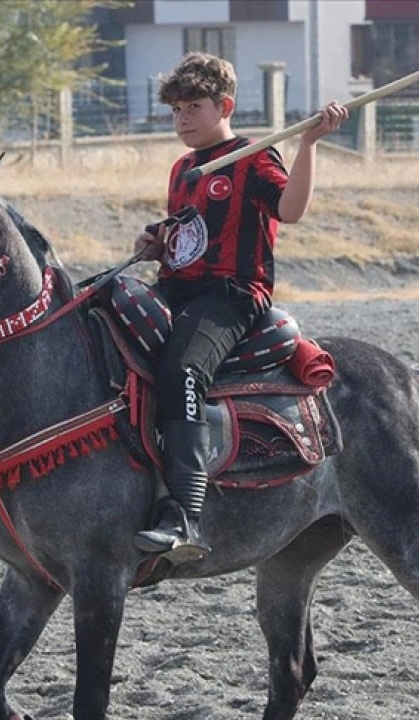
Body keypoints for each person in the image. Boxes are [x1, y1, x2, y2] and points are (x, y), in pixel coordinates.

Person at [133, 52, 348, 564]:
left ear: (224, 105)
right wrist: (158, 244)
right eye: (176, 109)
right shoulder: (183, 168)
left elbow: (290, 210)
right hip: (175, 289)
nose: (182, 118)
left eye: (194, 106)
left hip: (229, 295)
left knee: (184, 372)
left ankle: (184, 515)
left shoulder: (254, 156)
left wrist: (308, 144)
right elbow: (191, 234)